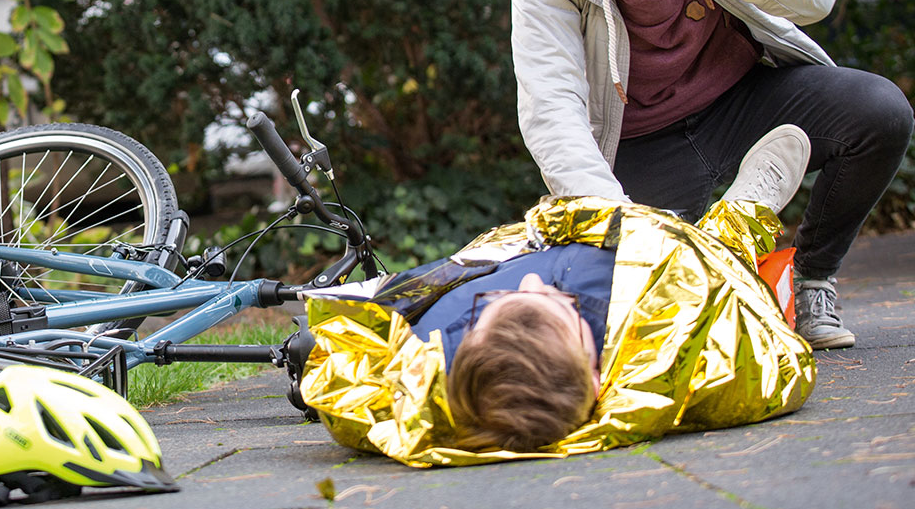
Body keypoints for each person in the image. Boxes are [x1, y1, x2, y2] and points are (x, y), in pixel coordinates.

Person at [510, 0, 915, 350]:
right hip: (642, 142)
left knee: (878, 112)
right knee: (644, 313)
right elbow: (552, 106)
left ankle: (809, 280)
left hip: (742, 100)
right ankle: (739, 250)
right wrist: (619, 222)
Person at [295, 126, 816, 465]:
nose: (531, 286)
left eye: (491, 313)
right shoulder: (641, 377)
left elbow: (346, 386)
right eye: (554, 306)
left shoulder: (424, 379)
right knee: (715, 271)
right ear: (596, 382)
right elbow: (777, 368)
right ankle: (745, 213)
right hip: (652, 275)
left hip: (555, 248)